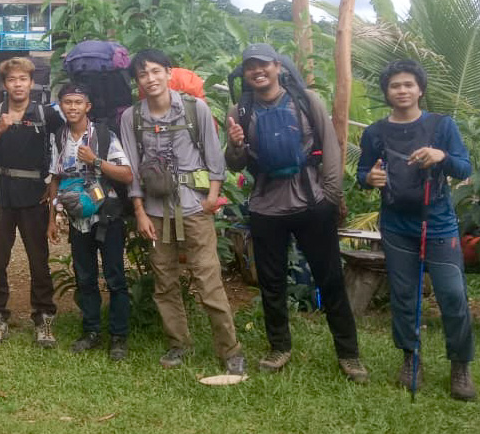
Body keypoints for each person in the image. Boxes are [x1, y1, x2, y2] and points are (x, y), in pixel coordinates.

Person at [224, 43, 367, 382]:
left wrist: (330, 198)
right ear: (244, 74)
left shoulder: (306, 100)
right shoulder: (239, 109)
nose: (258, 71)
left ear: (278, 66)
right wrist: (235, 143)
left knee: (330, 278)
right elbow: (234, 164)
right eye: (250, 67)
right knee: (271, 283)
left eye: (264, 65)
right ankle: (279, 347)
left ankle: (349, 354)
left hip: (311, 201)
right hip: (266, 206)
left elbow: (331, 149)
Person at [118, 49, 245, 374]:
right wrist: (140, 212)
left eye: (156, 71)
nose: (150, 79)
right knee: (164, 282)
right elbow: (132, 169)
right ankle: (178, 344)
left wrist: (212, 199)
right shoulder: (131, 118)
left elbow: (215, 159)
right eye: (143, 74)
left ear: (168, 72)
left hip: (194, 208)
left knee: (208, 280)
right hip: (156, 211)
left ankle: (230, 350)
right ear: (138, 81)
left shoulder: (194, 108)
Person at [357, 60, 476, 400]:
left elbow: (464, 165)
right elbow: (364, 172)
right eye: (395, 85)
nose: (402, 90)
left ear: (420, 89)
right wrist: (369, 178)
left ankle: (461, 364)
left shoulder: (441, 126)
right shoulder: (375, 132)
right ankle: (411, 358)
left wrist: (441, 155)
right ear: (387, 92)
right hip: (396, 224)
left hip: (438, 221)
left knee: (453, 295)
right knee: (404, 296)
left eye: (408, 84)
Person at [0, 57, 63, 347]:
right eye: (12, 79)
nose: (18, 84)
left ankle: (44, 318)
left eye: (23, 79)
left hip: (35, 193)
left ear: (31, 83)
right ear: (4, 85)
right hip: (1, 193)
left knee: (39, 260)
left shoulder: (47, 115)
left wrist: (54, 187)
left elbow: (64, 150)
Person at [48, 83, 133, 360]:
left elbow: (126, 174)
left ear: (88, 107)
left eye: (77, 102)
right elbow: (55, 178)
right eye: (67, 102)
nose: (72, 107)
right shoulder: (59, 137)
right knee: (85, 278)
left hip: (107, 216)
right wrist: (52, 216)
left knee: (115, 277)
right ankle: (91, 331)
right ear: (61, 106)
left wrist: (96, 161)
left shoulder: (104, 136)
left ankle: (119, 336)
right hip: (77, 220)